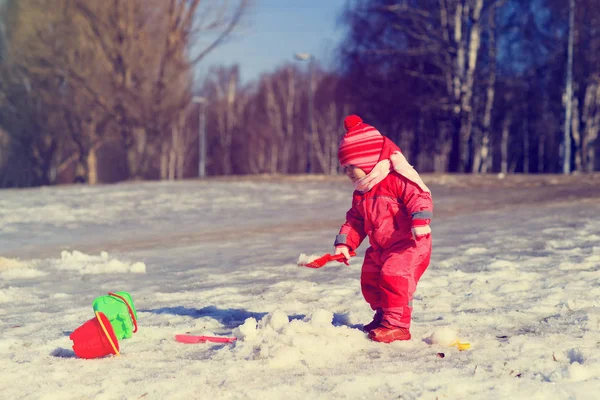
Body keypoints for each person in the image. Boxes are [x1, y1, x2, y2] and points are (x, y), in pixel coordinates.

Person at [333, 115, 433, 343]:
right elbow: (355, 220)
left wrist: (420, 222)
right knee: (370, 279)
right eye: (345, 167)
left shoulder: (397, 179)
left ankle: (397, 325)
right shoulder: (361, 191)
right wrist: (344, 243)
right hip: (381, 246)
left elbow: (420, 197)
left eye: (352, 165)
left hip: (409, 244)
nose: (348, 171)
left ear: (368, 161)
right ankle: (384, 316)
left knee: (394, 276)